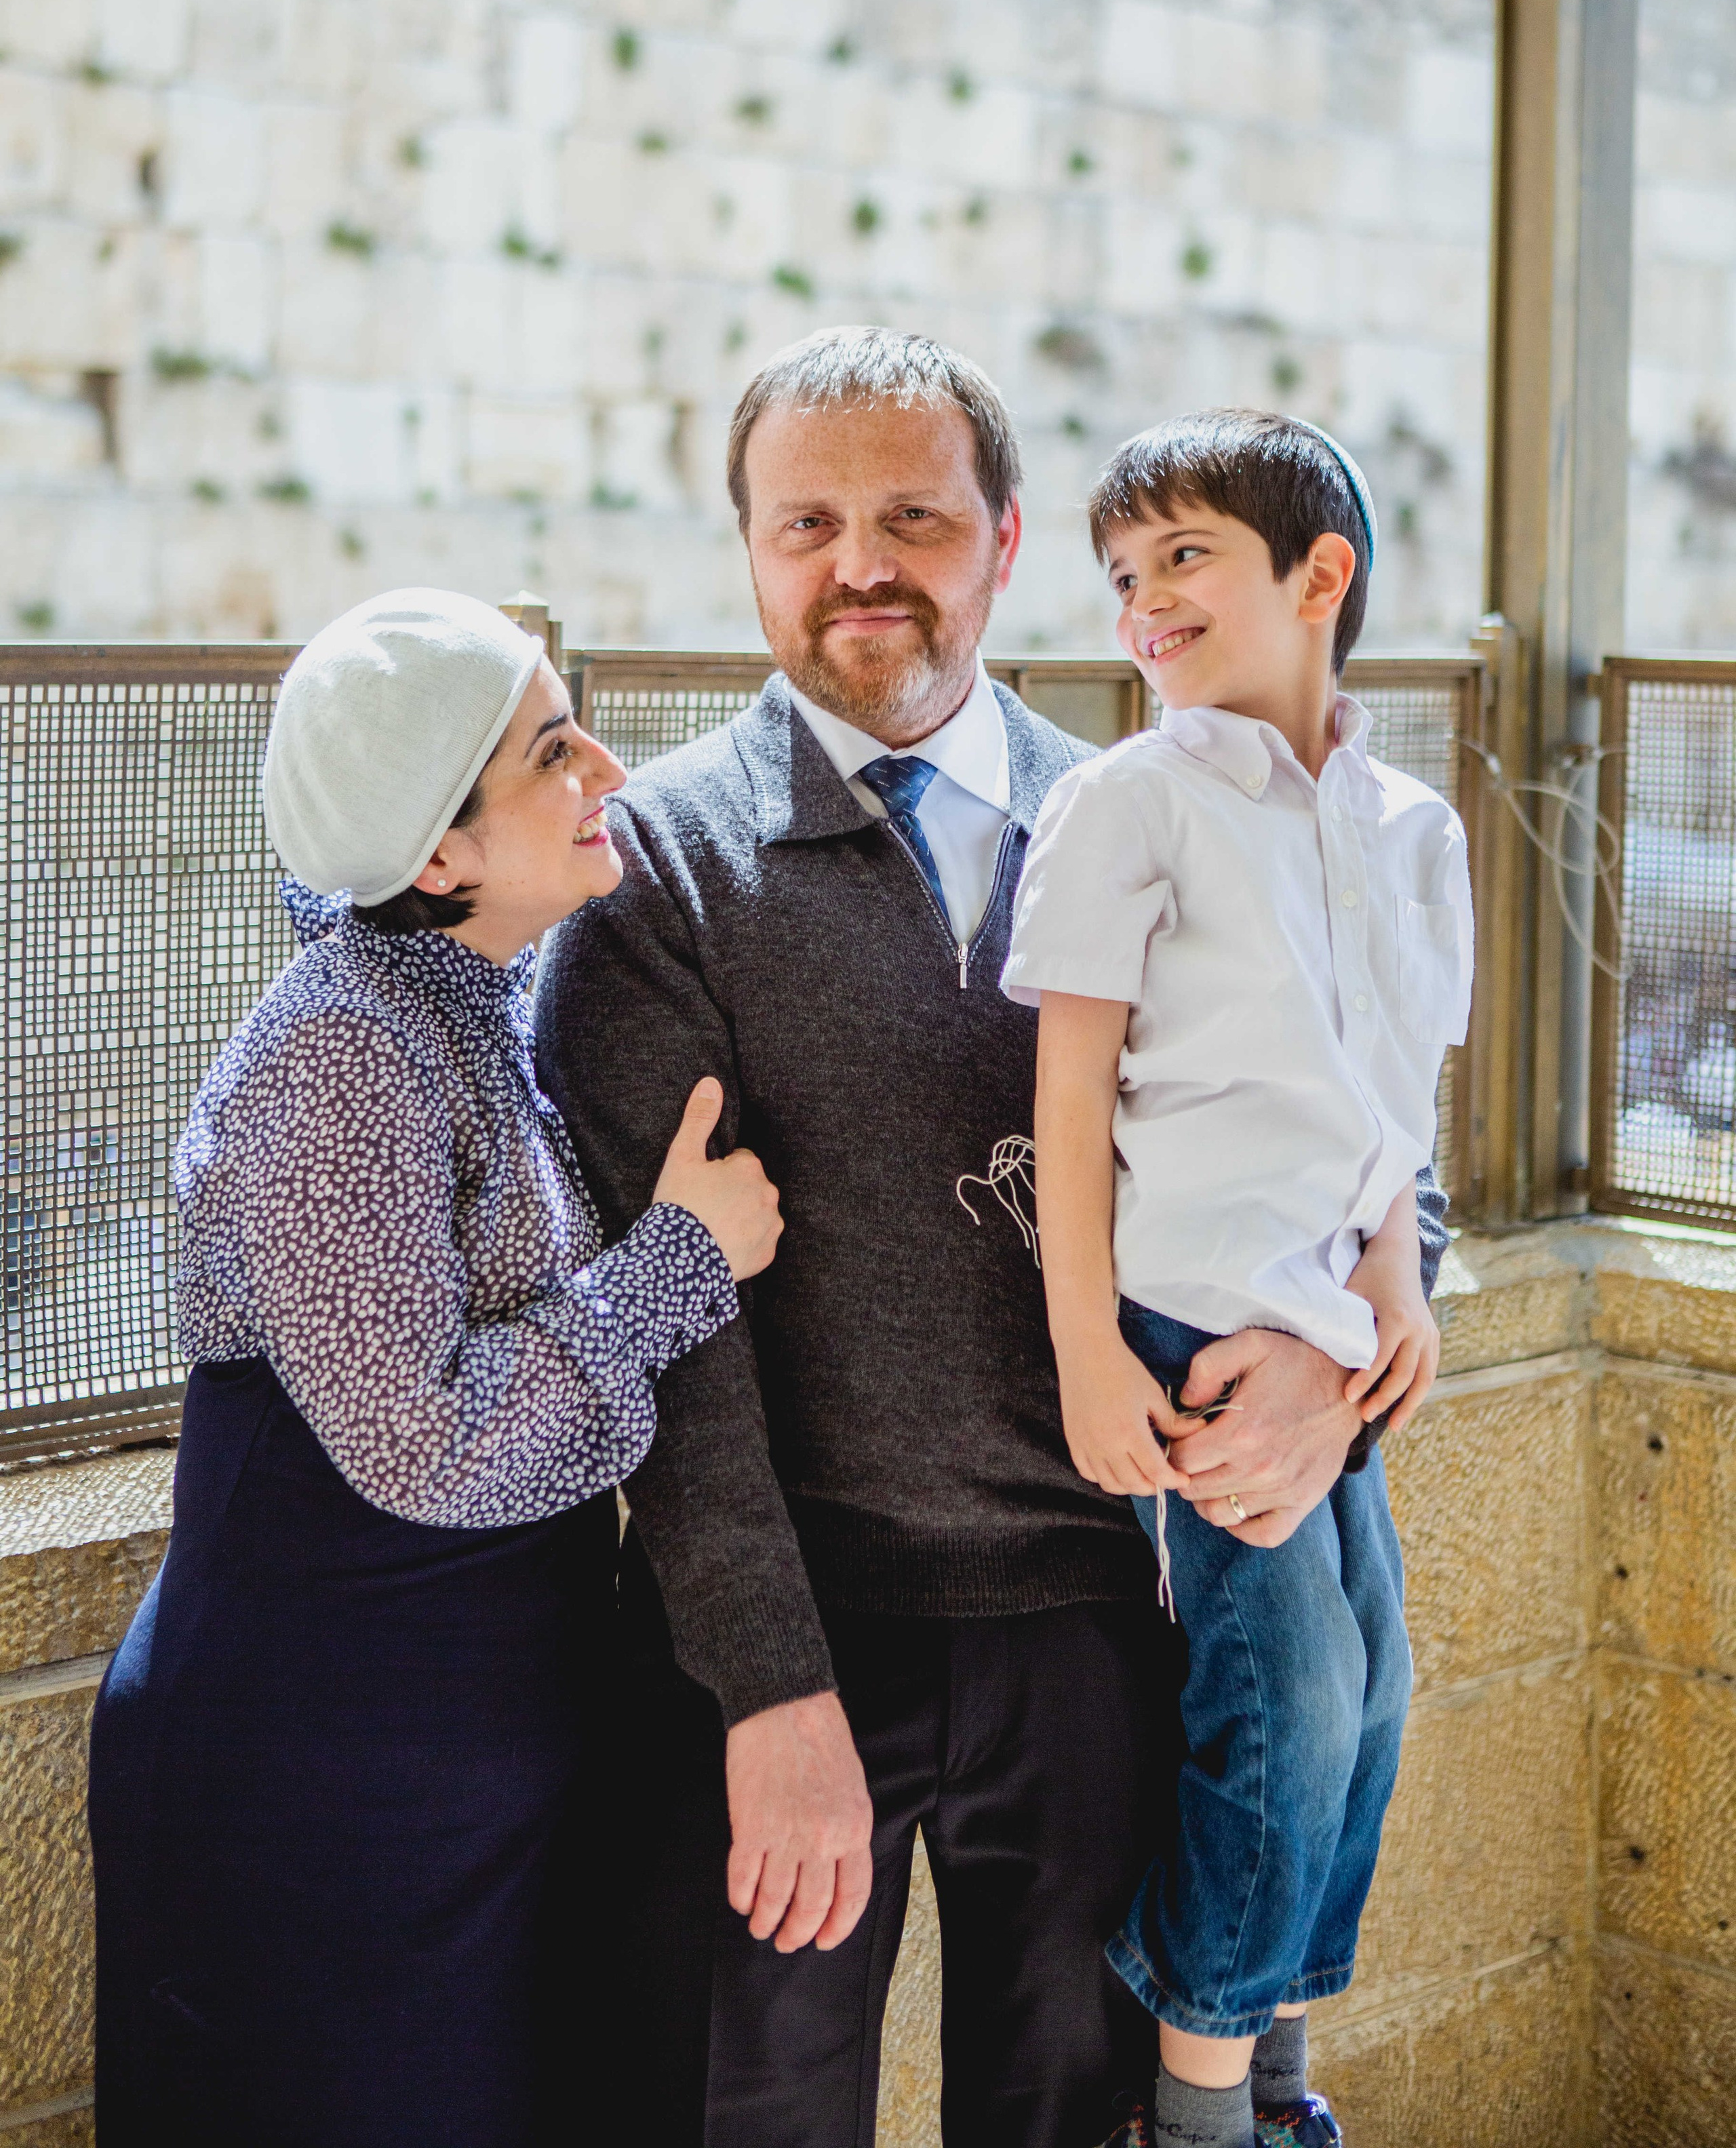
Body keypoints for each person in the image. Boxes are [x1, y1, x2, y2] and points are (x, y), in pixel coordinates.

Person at [536, 332, 1452, 2148]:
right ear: (747, 550)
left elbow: (1369, 1132)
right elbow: (673, 1337)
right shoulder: (656, 876)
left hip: (1104, 1624)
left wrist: (1339, 1356)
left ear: (1007, 541)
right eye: (807, 521)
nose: (859, 562)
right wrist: (771, 1687)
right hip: (799, 1635)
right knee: (749, 2120)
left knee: (1072, 2120)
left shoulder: (1177, 806)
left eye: (912, 517)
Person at [88, 587, 782, 2148]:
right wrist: (681, 1258)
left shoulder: (472, 990)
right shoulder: (341, 1052)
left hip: (445, 1765)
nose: (606, 763)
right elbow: (429, 1445)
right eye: (551, 752)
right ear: (437, 855)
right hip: (315, 1786)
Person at [1004, 411, 1474, 2148]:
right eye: (1122, 577)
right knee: (1276, 1713)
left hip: (1338, 1326)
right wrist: (1077, 1351)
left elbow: (1390, 1114)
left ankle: (1274, 2069)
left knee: (1372, 1703)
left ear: (1318, 575)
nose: (1141, 604)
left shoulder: (1413, 828)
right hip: (1188, 1319)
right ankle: (1196, 2112)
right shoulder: (1126, 799)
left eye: (1181, 558)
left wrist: (1400, 1296)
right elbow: (1065, 1097)